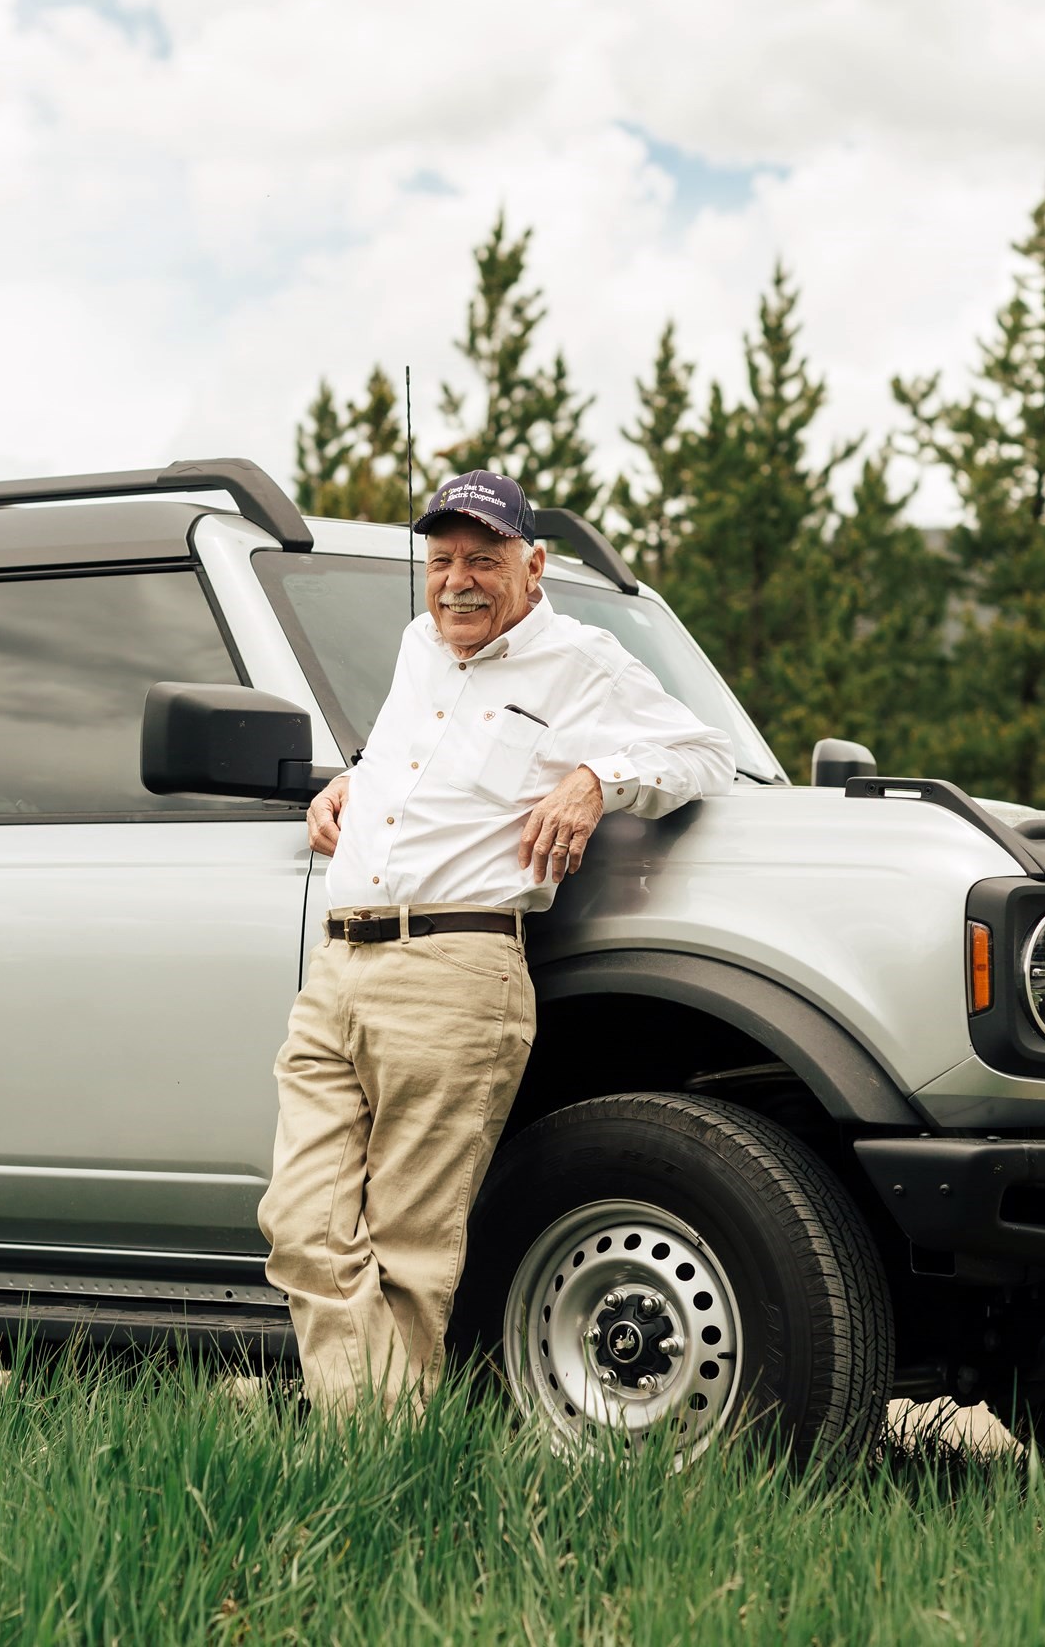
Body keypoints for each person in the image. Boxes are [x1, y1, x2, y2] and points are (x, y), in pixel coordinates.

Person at [257, 471, 735, 1415]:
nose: (458, 581)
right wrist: (351, 790)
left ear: (533, 563)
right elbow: (417, 762)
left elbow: (706, 752)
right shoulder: (417, 648)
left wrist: (598, 776)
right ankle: (370, 1445)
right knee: (301, 1225)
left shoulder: (582, 660)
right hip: (340, 967)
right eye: (441, 561)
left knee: (406, 1242)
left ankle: (365, 1465)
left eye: (484, 559)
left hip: (456, 973)